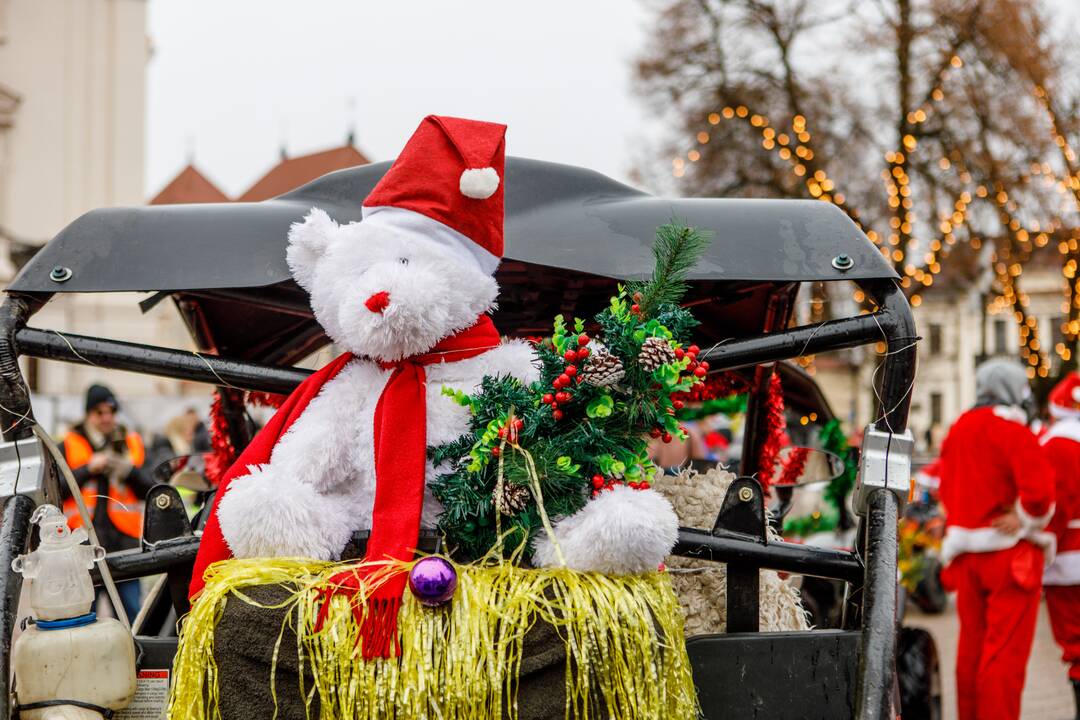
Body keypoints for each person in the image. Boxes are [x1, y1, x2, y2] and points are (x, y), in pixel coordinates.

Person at [937, 358, 1056, 720]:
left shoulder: (958, 429)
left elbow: (945, 488)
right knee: (1003, 655)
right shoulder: (1011, 429)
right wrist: (1024, 518)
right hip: (1007, 556)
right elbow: (1040, 495)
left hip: (964, 555)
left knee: (970, 649)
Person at [61, 384, 154, 622]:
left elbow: (152, 490)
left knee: (132, 618)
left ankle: (136, 659)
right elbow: (56, 491)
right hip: (82, 548)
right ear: (88, 414)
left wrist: (129, 471)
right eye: (99, 412)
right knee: (82, 619)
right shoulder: (69, 444)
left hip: (124, 548)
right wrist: (87, 469)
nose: (106, 417)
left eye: (111, 411)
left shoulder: (132, 443)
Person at [1042, 372, 1080, 718]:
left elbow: (1057, 504)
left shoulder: (1059, 444)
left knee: (1076, 646)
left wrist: (1041, 545)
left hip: (1070, 558)